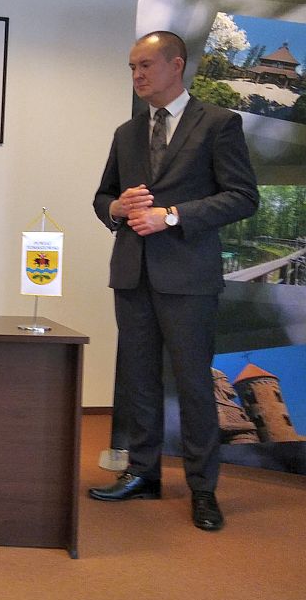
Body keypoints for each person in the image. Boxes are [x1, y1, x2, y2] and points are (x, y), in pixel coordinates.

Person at [90, 31, 259, 531]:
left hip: (189, 278)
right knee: (138, 380)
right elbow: (103, 197)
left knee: (193, 384)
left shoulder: (219, 123)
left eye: (145, 65)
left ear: (176, 64)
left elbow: (243, 196)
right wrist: (117, 208)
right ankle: (143, 474)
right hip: (132, 274)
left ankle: (203, 488)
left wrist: (172, 216)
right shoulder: (127, 132)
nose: (137, 75)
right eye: (132, 67)